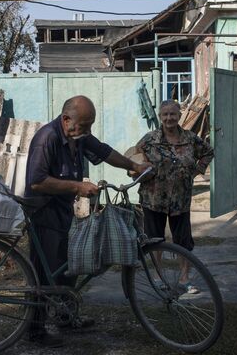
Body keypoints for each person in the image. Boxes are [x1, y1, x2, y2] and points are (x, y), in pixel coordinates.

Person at [25, 95, 151, 347]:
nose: (87, 130)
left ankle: (66, 316)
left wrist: (134, 166)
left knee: (68, 264)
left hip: (63, 210)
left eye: (90, 125)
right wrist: (77, 185)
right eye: (84, 125)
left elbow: (104, 151)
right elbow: (36, 181)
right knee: (45, 274)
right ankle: (35, 330)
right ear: (66, 119)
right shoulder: (46, 138)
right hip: (43, 212)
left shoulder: (78, 136)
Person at [134, 100, 214, 294]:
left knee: (183, 240)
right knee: (154, 240)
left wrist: (195, 171)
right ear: (160, 117)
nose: (169, 118)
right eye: (165, 115)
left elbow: (208, 152)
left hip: (181, 199)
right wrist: (138, 168)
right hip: (153, 199)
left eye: (172, 114)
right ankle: (158, 277)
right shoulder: (150, 139)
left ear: (179, 115)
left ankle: (184, 278)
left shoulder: (190, 138)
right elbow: (134, 156)